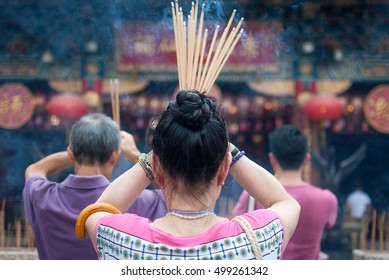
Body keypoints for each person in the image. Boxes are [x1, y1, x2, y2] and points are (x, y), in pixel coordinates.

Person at [77, 91, 300, 260]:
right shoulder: (256, 240)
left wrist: (155, 157)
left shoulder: (124, 240)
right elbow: (286, 202)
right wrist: (228, 152)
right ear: (224, 170)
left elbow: (99, 210)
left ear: (157, 169)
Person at [23, 113, 167, 260]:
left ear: (71, 154)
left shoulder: (43, 196)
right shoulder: (143, 200)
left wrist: (79, 151)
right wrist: (134, 154)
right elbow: (171, 189)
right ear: (114, 157)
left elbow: (34, 169)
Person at [233, 124, 338, 260]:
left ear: (272, 159)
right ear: (307, 160)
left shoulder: (252, 195)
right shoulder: (327, 199)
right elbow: (331, 224)